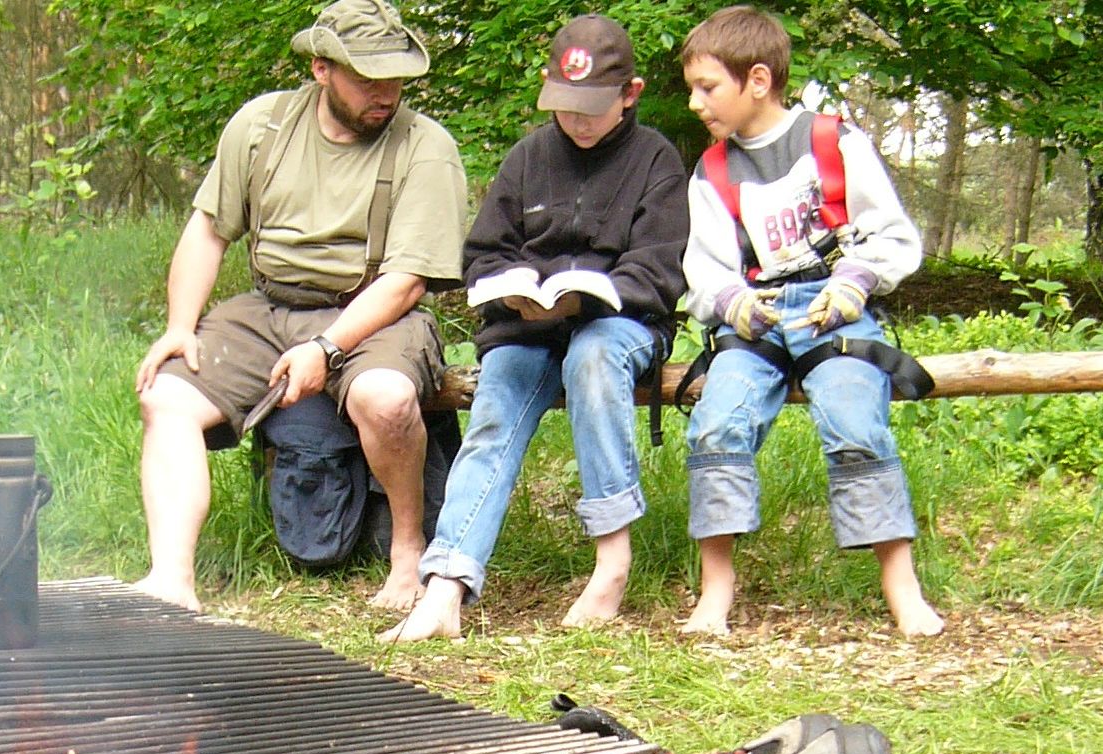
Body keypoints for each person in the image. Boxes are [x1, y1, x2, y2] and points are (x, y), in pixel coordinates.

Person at [131, 0, 468, 613]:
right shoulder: (261, 127)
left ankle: (408, 551)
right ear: (320, 69)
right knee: (166, 398)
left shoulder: (425, 147)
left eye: (395, 77)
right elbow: (208, 231)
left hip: (377, 312)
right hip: (270, 308)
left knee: (385, 399)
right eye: (367, 77)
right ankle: (171, 580)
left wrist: (326, 348)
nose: (385, 92)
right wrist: (180, 326)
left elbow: (407, 281)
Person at [382, 14, 687, 643]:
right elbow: (484, 254)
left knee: (593, 361)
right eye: (565, 106)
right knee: (496, 402)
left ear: (630, 93)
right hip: (526, 328)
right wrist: (515, 296)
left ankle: (612, 561)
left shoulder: (656, 159)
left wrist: (585, 303)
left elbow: (659, 269)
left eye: (592, 109)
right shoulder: (527, 157)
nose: (576, 121)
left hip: (620, 324)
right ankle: (445, 587)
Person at [678, 6, 945, 637]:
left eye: (707, 87)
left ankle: (900, 584)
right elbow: (705, 269)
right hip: (757, 325)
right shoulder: (712, 172)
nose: (694, 103)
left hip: (836, 317)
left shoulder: (833, 142)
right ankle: (716, 589)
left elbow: (890, 235)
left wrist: (856, 282)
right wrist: (732, 303)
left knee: (855, 417)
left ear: (759, 80)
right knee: (718, 424)